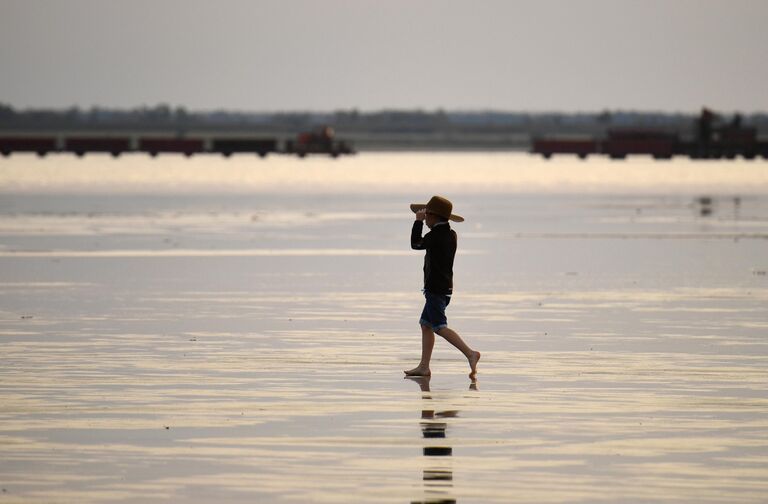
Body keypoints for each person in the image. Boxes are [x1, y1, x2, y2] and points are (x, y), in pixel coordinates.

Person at [404, 195, 480, 378]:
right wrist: (424, 221)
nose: (425, 218)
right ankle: (424, 366)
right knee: (426, 325)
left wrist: (417, 223)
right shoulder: (450, 234)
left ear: (434, 217)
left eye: (427, 216)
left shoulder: (437, 235)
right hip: (442, 288)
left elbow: (416, 244)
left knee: (439, 327)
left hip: (436, 290)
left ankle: (471, 354)